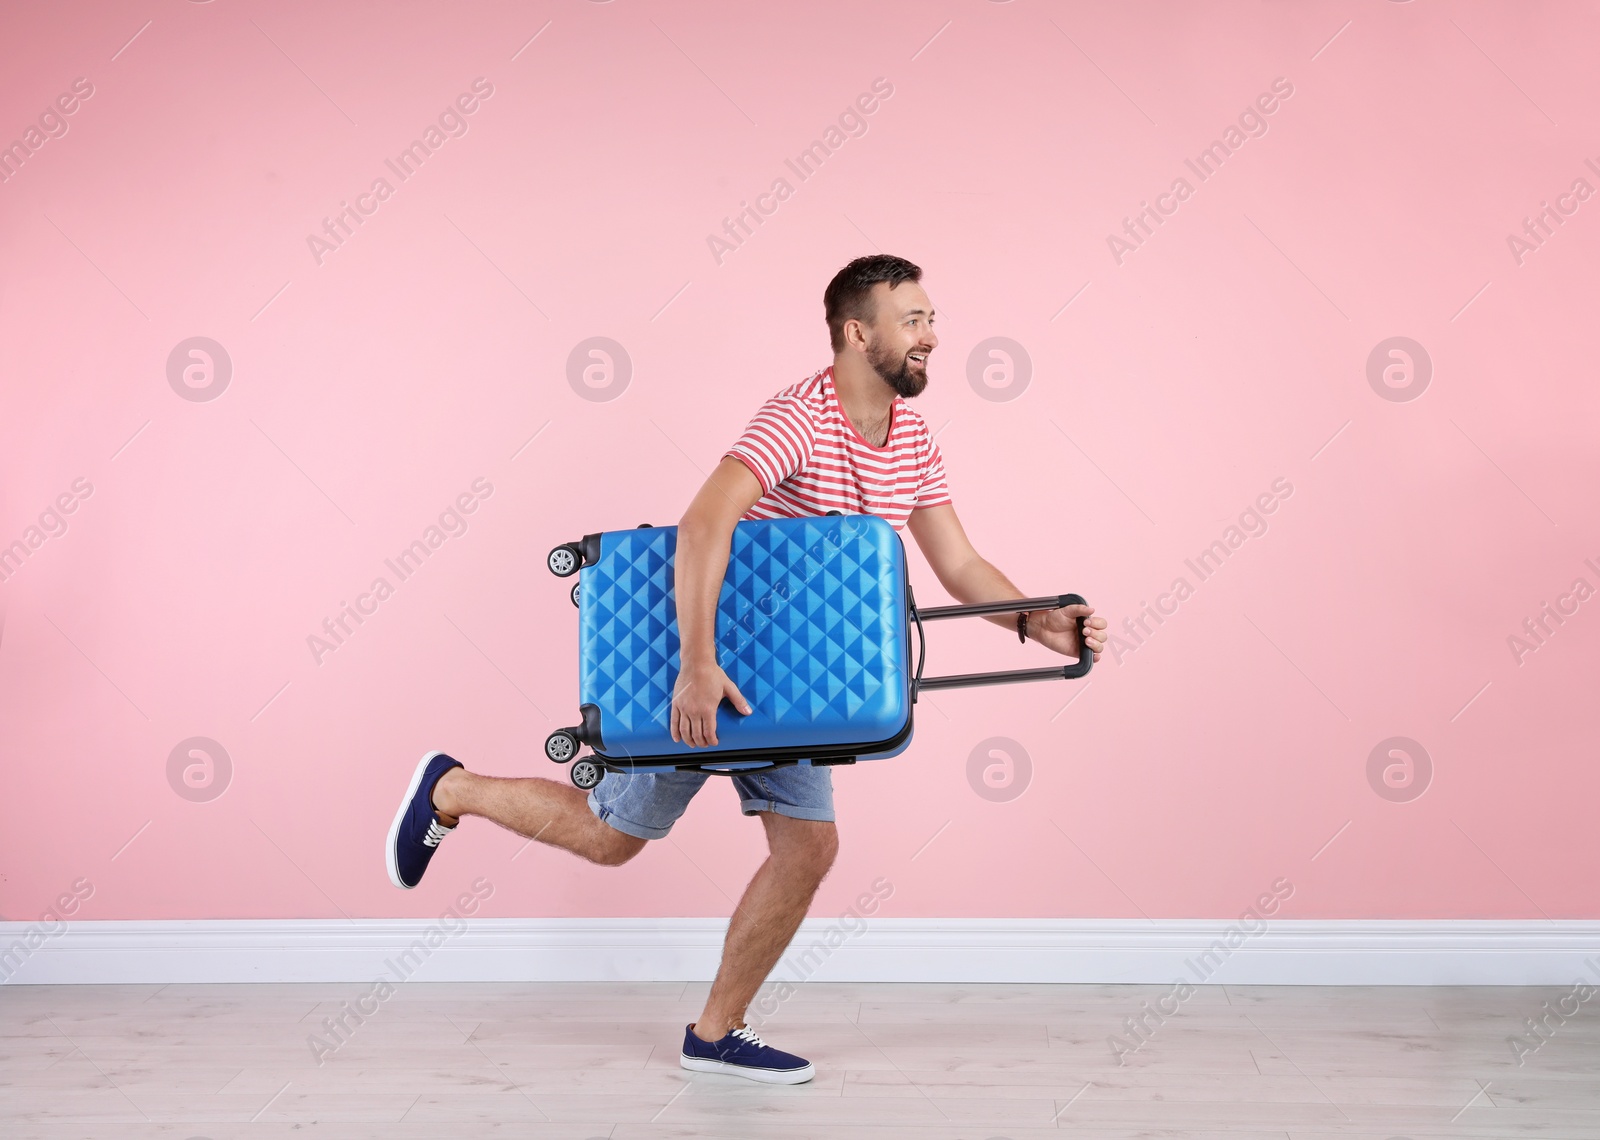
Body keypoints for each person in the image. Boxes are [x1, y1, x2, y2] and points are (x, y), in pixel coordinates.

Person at [385, 254, 1108, 1084]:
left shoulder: (911, 438)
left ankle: (714, 1033)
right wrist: (696, 665)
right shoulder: (798, 416)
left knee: (803, 849)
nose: (932, 338)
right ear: (856, 331)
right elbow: (701, 526)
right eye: (914, 321)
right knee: (611, 838)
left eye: (932, 321)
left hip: (795, 686)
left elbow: (959, 564)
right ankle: (452, 788)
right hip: (722, 668)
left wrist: (1034, 621)